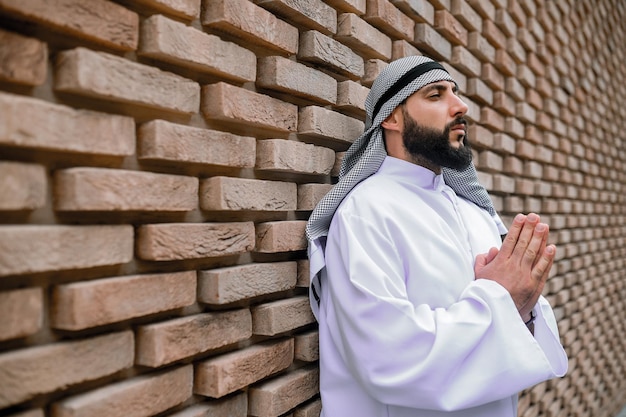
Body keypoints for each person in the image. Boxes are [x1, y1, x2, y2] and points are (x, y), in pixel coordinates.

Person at [305, 56, 567, 417]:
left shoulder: (476, 213)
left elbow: (519, 325)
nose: (460, 107)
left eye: (455, 93)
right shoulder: (366, 211)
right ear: (392, 118)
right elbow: (388, 360)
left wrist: (524, 306)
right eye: (435, 95)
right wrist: (499, 298)